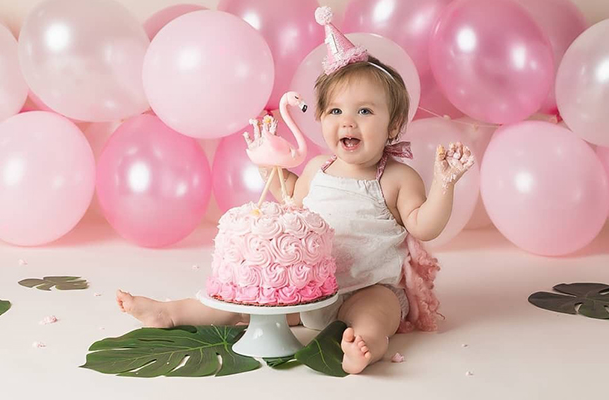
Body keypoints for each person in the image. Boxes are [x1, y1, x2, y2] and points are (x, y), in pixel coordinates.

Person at [116, 6, 474, 374]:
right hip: (306, 290)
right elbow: (294, 203)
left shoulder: (397, 178)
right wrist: (269, 165)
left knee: (375, 314)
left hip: (366, 288)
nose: (348, 121)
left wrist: (443, 185)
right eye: (335, 111)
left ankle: (362, 345)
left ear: (394, 123)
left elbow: (423, 226)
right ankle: (172, 312)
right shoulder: (319, 169)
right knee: (243, 304)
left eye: (365, 111)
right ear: (320, 119)